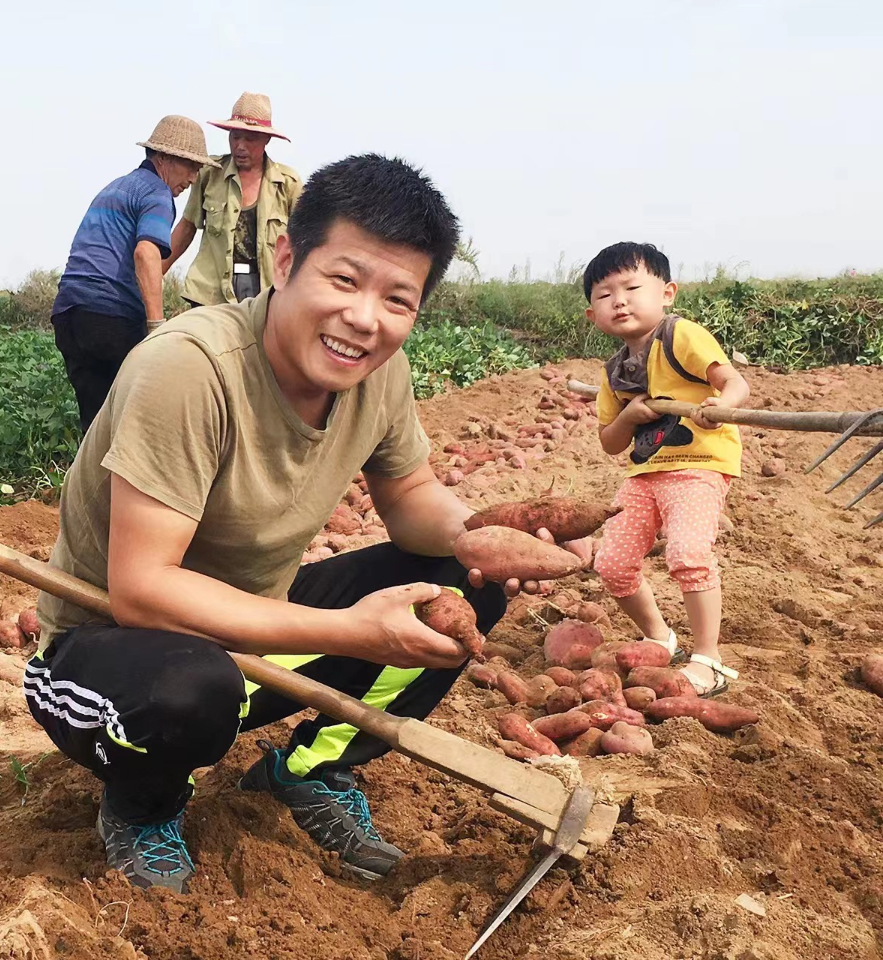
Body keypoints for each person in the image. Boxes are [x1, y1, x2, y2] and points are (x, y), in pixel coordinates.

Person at [28, 154, 574, 895]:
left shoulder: (380, 372)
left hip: (249, 639)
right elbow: (143, 592)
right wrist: (351, 630)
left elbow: (411, 494)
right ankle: (143, 804)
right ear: (287, 259)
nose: (364, 318)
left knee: (460, 588)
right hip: (111, 659)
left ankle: (309, 770)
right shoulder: (190, 369)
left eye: (398, 299)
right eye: (344, 280)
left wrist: (477, 536)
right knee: (191, 690)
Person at [585, 242, 750, 697]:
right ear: (591, 314)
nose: (619, 300)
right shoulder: (614, 371)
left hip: (699, 465)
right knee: (613, 564)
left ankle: (709, 659)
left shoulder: (682, 337)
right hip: (643, 474)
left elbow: (735, 382)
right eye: (605, 294)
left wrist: (721, 405)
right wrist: (629, 416)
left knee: (688, 556)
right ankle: (661, 637)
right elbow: (610, 443)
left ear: (667, 293)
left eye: (632, 287)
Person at [51, 116, 218, 433]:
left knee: (97, 421)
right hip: (109, 317)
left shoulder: (116, 187)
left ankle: (89, 482)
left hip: (69, 315)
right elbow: (146, 252)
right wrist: (156, 327)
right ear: (164, 158)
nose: (194, 178)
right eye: (190, 166)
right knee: (143, 414)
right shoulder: (157, 194)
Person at [163, 92, 302, 306]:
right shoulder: (210, 174)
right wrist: (155, 274)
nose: (240, 146)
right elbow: (187, 227)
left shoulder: (288, 184)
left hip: (266, 293)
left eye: (250, 138)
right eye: (235, 136)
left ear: (266, 139)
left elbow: (304, 243)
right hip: (211, 293)